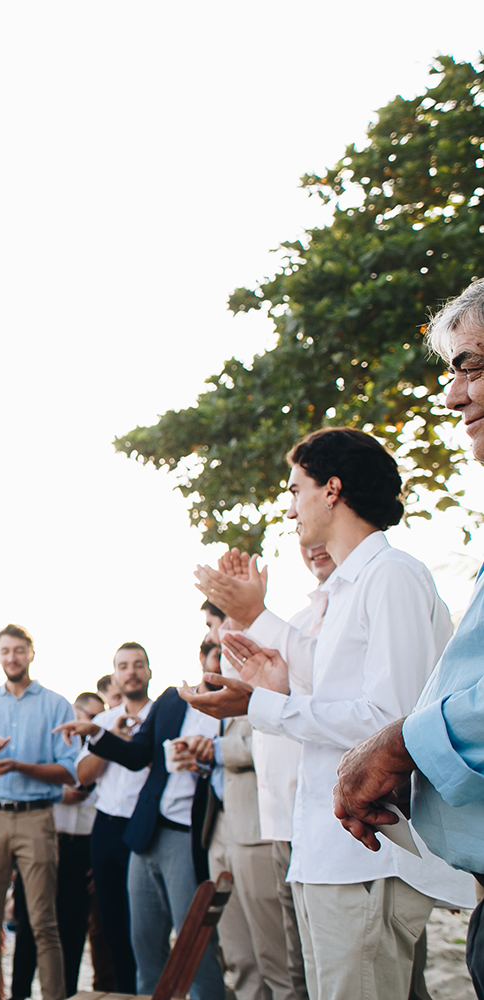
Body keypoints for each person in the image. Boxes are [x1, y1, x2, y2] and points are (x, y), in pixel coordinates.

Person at [182, 427, 477, 1000]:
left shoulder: (391, 576)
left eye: (296, 490)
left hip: (367, 856)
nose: (290, 508)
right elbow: (323, 675)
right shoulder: (346, 588)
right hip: (325, 848)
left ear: (332, 490)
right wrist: (257, 622)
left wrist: (259, 704)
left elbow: (388, 720)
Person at [333, 277, 484, 999]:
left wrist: (398, 743)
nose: (453, 396)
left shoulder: (392, 578)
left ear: (332, 489)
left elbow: (384, 707)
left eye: (472, 366)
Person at [195, 543, 333, 1000]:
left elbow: (283, 723)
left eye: (224, 623)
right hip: (257, 823)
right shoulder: (245, 660)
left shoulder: (289, 642)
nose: (220, 636)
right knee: (273, 959)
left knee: (291, 964)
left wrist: (216, 746)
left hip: (288, 822)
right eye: (217, 626)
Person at [56, 654, 225, 1000]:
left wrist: (208, 761)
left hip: (188, 834)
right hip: (145, 832)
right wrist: (96, 733)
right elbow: (135, 756)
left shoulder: (234, 710)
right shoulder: (172, 700)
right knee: (142, 941)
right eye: (213, 652)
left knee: (193, 940)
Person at [0, 624, 79, 1000]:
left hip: (36, 818)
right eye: (6, 651)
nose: (13, 657)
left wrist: (20, 766)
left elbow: (69, 769)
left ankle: (55, 996)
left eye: (19, 650)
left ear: (31, 653)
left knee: (44, 922)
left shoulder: (56, 704)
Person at [10, 690, 103, 999]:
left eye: (96, 718)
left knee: (73, 930)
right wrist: (58, 793)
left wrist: (95, 860)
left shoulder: (102, 752)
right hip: (43, 839)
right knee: (28, 926)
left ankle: (66, 994)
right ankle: (20, 993)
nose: (88, 722)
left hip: (82, 847)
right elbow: (25, 782)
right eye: (86, 715)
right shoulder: (47, 746)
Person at [73, 643, 152, 994]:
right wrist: (114, 738)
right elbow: (85, 775)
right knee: (110, 920)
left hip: (146, 825)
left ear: (148, 671)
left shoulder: (160, 718)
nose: (131, 671)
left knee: (145, 922)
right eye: (123, 666)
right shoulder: (103, 722)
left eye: (138, 665)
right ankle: (121, 992)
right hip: (106, 826)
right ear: (115, 674)